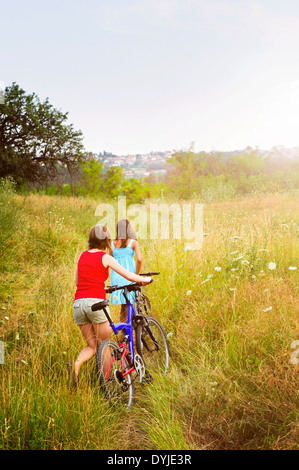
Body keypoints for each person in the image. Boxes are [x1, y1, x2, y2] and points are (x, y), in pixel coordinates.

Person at [67, 224, 151, 390]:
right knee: (104, 344)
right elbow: (128, 275)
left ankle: (76, 366)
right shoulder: (105, 257)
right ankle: (106, 386)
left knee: (92, 346)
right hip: (95, 305)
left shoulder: (81, 256)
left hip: (78, 305)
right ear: (105, 239)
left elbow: (78, 283)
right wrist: (145, 280)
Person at [110, 219, 142, 322]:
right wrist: (136, 275)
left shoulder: (112, 244)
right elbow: (139, 259)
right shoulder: (133, 243)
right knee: (129, 306)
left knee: (123, 307)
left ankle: (124, 335)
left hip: (116, 278)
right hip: (129, 277)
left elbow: (109, 262)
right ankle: (130, 334)